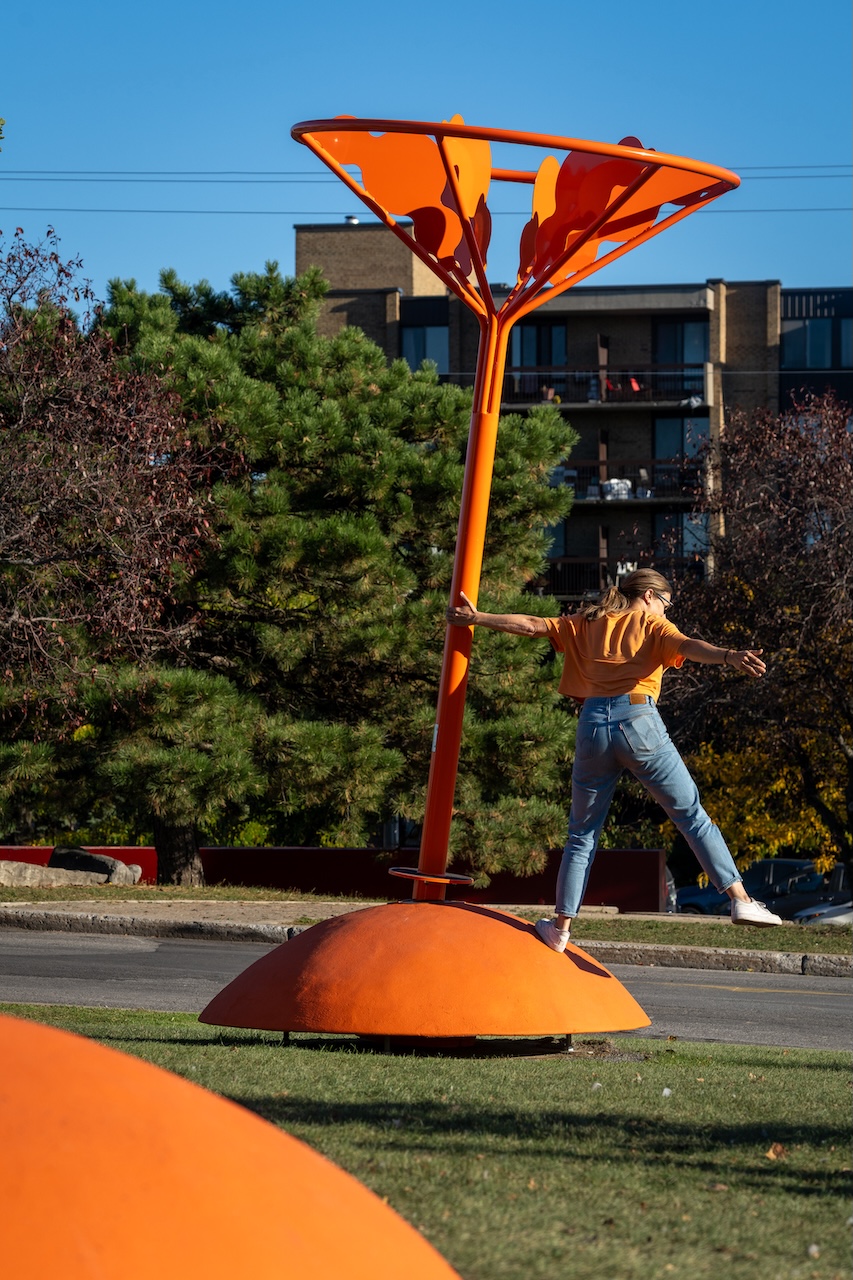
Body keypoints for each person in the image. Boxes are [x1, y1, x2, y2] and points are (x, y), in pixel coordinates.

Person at [446, 567, 783, 953]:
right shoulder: (651, 624)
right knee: (690, 815)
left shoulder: (587, 621)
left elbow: (532, 625)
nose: (667, 612)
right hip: (638, 721)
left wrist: (478, 618)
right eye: (667, 604)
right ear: (650, 596)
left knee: (581, 834)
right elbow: (690, 646)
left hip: (592, 727)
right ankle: (740, 899)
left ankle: (560, 928)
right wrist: (729, 656)